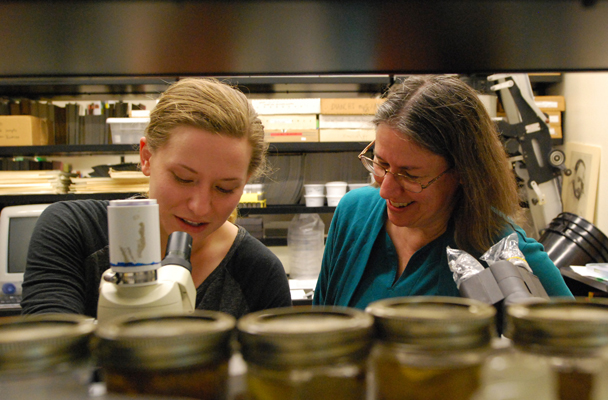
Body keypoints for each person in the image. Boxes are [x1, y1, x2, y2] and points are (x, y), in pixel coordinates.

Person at [21, 78, 292, 319]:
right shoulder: (74, 232)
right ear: (146, 157)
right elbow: (49, 359)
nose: (199, 207)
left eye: (224, 188)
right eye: (183, 178)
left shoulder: (259, 273)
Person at [313, 75, 573, 309]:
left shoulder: (501, 250)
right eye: (381, 163)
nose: (386, 190)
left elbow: (578, 346)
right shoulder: (353, 213)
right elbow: (323, 327)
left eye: (411, 175)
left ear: (462, 172)